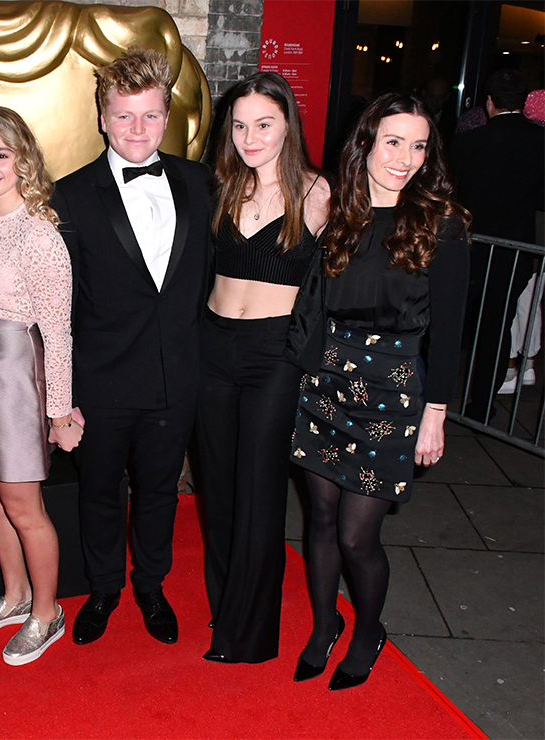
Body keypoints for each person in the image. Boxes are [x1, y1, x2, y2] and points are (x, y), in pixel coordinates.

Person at [289, 93, 469, 690]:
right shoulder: (340, 211)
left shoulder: (441, 222)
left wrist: (435, 413)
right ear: (365, 142)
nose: (406, 158)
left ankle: (368, 630)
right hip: (326, 380)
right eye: (393, 141)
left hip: (393, 389)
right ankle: (324, 625)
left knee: (355, 533)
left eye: (419, 145)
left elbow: (449, 332)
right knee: (318, 517)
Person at [51, 48, 211, 647]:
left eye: (148, 116)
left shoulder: (201, 183)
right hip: (101, 380)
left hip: (177, 377)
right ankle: (103, 588)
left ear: (167, 114)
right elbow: (57, 309)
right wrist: (61, 396)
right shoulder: (68, 195)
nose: (136, 129)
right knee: (98, 491)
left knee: (161, 490)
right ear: (101, 116)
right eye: (123, 116)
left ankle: (151, 585)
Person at [193, 72, 329, 665]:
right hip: (212, 345)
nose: (250, 137)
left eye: (264, 124)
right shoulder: (220, 185)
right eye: (241, 125)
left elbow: (342, 281)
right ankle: (226, 602)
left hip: (275, 354)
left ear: (287, 125)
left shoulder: (318, 193)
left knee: (259, 488)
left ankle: (247, 634)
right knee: (217, 486)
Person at [0, 107, 82, 665]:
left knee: (21, 500)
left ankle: (47, 611)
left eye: (1, 154)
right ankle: (14, 595)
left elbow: (58, 332)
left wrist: (60, 411)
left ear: (23, 159)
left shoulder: (39, 236)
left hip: (13, 374)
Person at [450, 68, 544, 421]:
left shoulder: (467, 143)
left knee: (449, 320)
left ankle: (431, 398)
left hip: (469, 247)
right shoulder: (540, 143)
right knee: (498, 325)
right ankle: (482, 407)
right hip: (514, 250)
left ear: (489, 102)